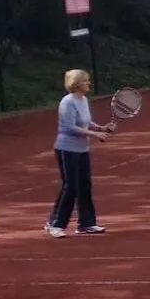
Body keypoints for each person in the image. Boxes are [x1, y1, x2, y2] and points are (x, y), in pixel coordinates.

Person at [46, 69, 112, 238]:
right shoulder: (67, 102)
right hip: (66, 149)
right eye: (85, 81)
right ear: (76, 84)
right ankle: (56, 225)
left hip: (82, 149)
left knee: (84, 185)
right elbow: (69, 127)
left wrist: (101, 128)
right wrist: (95, 135)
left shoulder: (83, 100)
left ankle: (86, 224)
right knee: (71, 187)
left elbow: (85, 121)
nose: (89, 83)